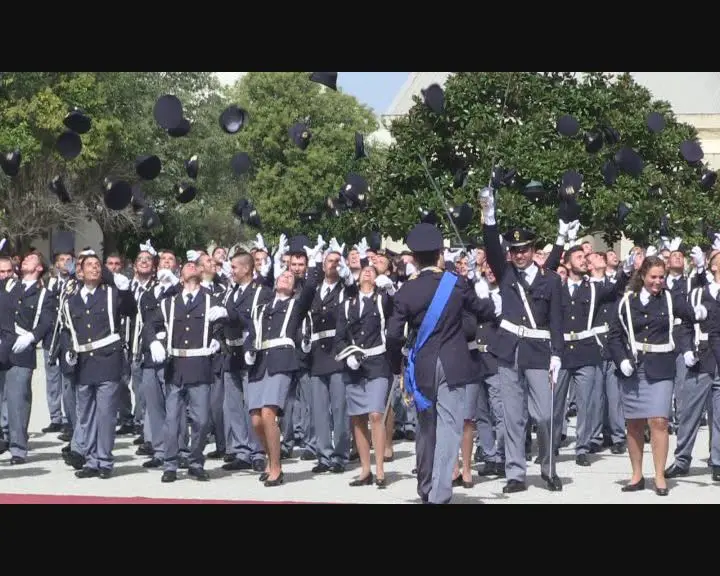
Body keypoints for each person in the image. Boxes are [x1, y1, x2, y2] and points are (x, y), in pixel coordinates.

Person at [386, 222, 495, 504]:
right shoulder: (455, 283)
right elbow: (483, 311)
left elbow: (394, 334)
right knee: (449, 428)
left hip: (421, 366)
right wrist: (480, 284)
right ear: (439, 255)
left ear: (414, 257)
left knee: (426, 429)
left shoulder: (405, 291)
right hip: (453, 363)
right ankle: (440, 492)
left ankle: (424, 486)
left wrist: (395, 366)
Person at [478, 186, 565, 493]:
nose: (519, 255)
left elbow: (556, 320)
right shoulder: (506, 275)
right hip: (508, 351)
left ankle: (548, 467)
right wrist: (489, 215)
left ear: (532, 250)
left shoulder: (551, 281)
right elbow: (490, 247)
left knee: (544, 415)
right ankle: (515, 473)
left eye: (524, 250)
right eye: (515, 251)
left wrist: (557, 353)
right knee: (513, 417)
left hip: (540, 352)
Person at [606, 255, 705, 495]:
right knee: (634, 424)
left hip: (661, 367)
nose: (658, 282)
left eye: (662, 277)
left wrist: (702, 311)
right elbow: (614, 336)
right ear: (643, 276)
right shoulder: (627, 302)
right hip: (633, 367)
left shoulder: (671, 299)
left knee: (659, 421)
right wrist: (621, 361)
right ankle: (637, 474)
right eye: (654, 277)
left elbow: (691, 312)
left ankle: (659, 476)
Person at [59, 254, 136, 478]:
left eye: (97, 265)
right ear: (80, 272)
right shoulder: (71, 300)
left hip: (107, 359)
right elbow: (67, 330)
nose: (94, 269)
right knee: (86, 414)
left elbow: (131, 310)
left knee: (105, 414)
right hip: (83, 361)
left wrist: (126, 291)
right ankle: (91, 460)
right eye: (89, 266)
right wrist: (68, 354)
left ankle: (104, 461)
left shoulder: (111, 294)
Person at [243, 261, 316, 487]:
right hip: (260, 362)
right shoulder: (261, 308)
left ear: (294, 287)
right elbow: (251, 333)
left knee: (268, 414)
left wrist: (313, 265)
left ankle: (276, 467)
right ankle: (270, 458)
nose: (285, 278)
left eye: (290, 278)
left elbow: (310, 290)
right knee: (255, 420)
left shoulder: (295, 305)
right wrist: (248, 351)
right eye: (282, 276)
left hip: (282, 360)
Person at [335, 264, 392, 488]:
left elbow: (396, 312)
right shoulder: (347, 304)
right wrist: (347, 354)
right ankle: (365, 469)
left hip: (377, 361)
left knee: (376, 414)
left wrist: (390, 290)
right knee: (357, 417)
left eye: (372, 270)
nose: (367, 272)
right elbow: (340, 336)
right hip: (354, 364)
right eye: (364, 270)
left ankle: (380, 469)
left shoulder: (381, 300)